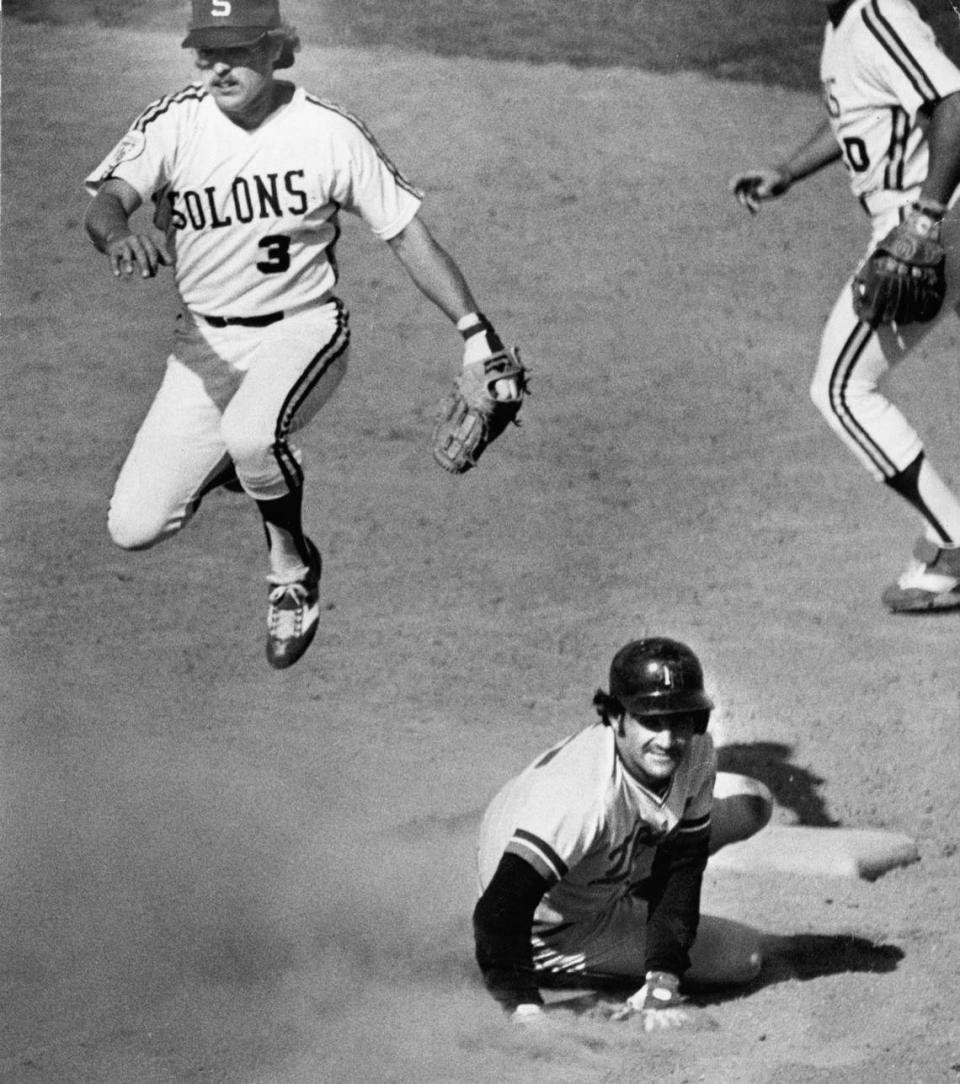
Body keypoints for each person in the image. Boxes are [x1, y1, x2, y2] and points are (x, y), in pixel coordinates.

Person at [83, 0, 521, 669]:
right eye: (204, 49)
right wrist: (119, 236)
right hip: (204, 345)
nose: (214, 65)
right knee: (133, 527)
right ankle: (243, 466)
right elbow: (107, 202)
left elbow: (406, 235)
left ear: (276, 48)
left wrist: (475, 331)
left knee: (253, 433)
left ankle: (291, 568)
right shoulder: (176, 122)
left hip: (305, 331)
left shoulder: (329, 133)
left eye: (232, 49)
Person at [729, 0, 960, 613]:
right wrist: (788, 170)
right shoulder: (844, 26)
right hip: (935, 216)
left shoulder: (878, 10)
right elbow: (861, 114)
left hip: (930, 219)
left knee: (840, 389)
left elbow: (955, 102)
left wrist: (925, 220)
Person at [473, 637, 772, 1027]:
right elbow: (499, 912)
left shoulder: (695, 752)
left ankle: (633, 895)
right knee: (742, 959)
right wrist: (524, 1008)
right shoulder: (580, 795)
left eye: (680, 719)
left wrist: (663, 976)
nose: (667, 740)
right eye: (651, 721)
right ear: (615, 717)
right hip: (549, 926)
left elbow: (682, 868)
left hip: (597, 863)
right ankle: (567, 960)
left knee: (752, 804)